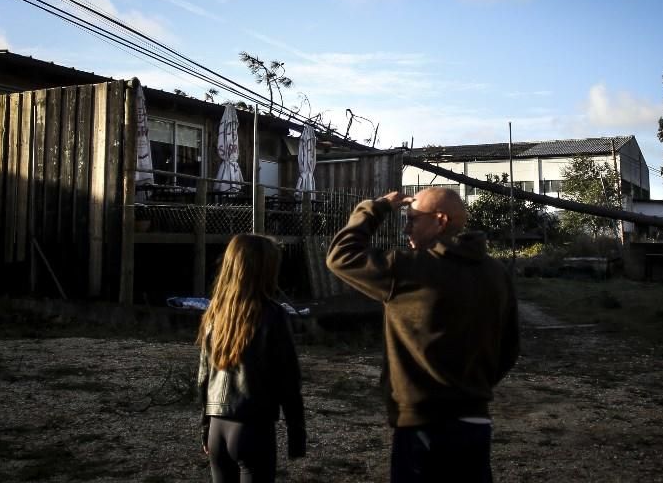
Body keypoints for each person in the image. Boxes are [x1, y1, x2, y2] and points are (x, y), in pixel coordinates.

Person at [326, 187, 520, 483]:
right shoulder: (497, 274)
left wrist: (376, 208)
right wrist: (469, 386)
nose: (406, 228)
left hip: (422, 426)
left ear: (440, 220)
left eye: (412, 219)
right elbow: (509, 348)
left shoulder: (408, 268)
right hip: (475, 422)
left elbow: (341, 256)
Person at [197, 234, 306, 483]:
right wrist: (296, 432)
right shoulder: (273, 315)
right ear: (266, 270)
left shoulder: (215, 312)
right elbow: (288, 379)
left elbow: (204, 376)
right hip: (253, 428)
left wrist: (205, 426)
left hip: (217, 427)